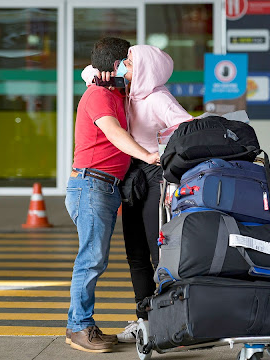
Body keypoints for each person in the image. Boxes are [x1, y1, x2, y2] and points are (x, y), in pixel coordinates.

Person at [82, 44, 193, 343]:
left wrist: (159, 154)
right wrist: (106, 75)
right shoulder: (127, 94)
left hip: (155, 174)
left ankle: (170, 321)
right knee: (135, 255)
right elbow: (87, 72)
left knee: (160, 253)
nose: (123, 67)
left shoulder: (158, 98)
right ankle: (145, 320)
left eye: (129, 63)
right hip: (133, 178)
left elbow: (187, 129)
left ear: (146, 69)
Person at [65, 37, 159, 353]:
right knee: (90, 260)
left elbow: (91, 71)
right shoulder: (98, 96)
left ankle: (84, 325)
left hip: (103, 186)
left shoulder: (113, 91)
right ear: (116, 65)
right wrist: (148, 156)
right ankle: (78, 327)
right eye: (128, 60)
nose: (132, 66)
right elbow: (114, 133)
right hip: (91, 185)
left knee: (94, 258)